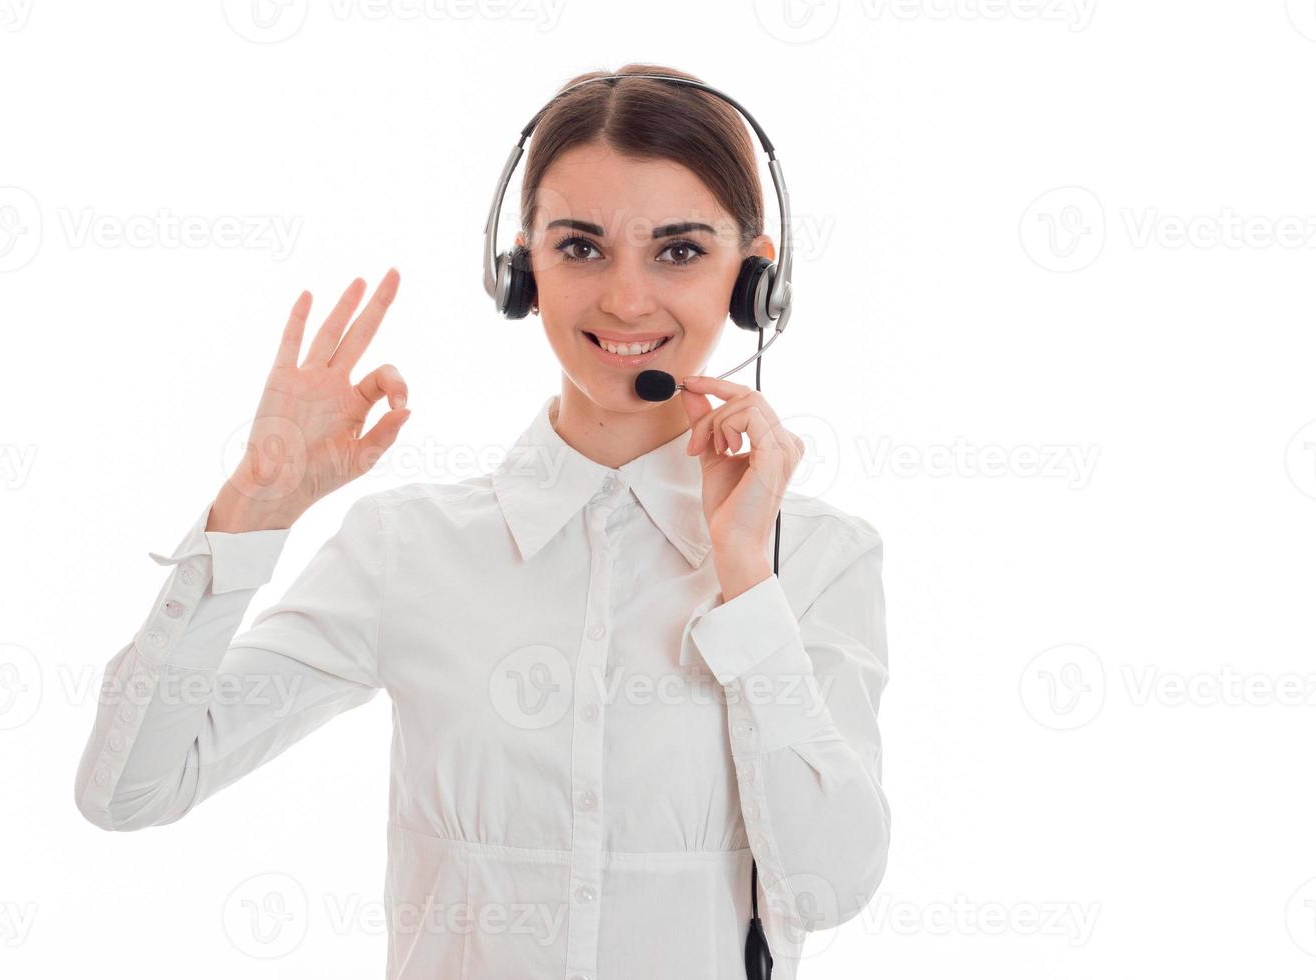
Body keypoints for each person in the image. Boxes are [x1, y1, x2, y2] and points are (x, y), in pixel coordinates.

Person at [74, 63, 890, 980]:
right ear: (520, 271)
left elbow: (830, 888)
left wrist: (747, 587)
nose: (626, 299)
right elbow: (129, 789)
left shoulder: (815, 557)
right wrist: (249, 516)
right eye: (581, 247)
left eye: (679, 249)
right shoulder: (406, 551)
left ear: (755, 277)